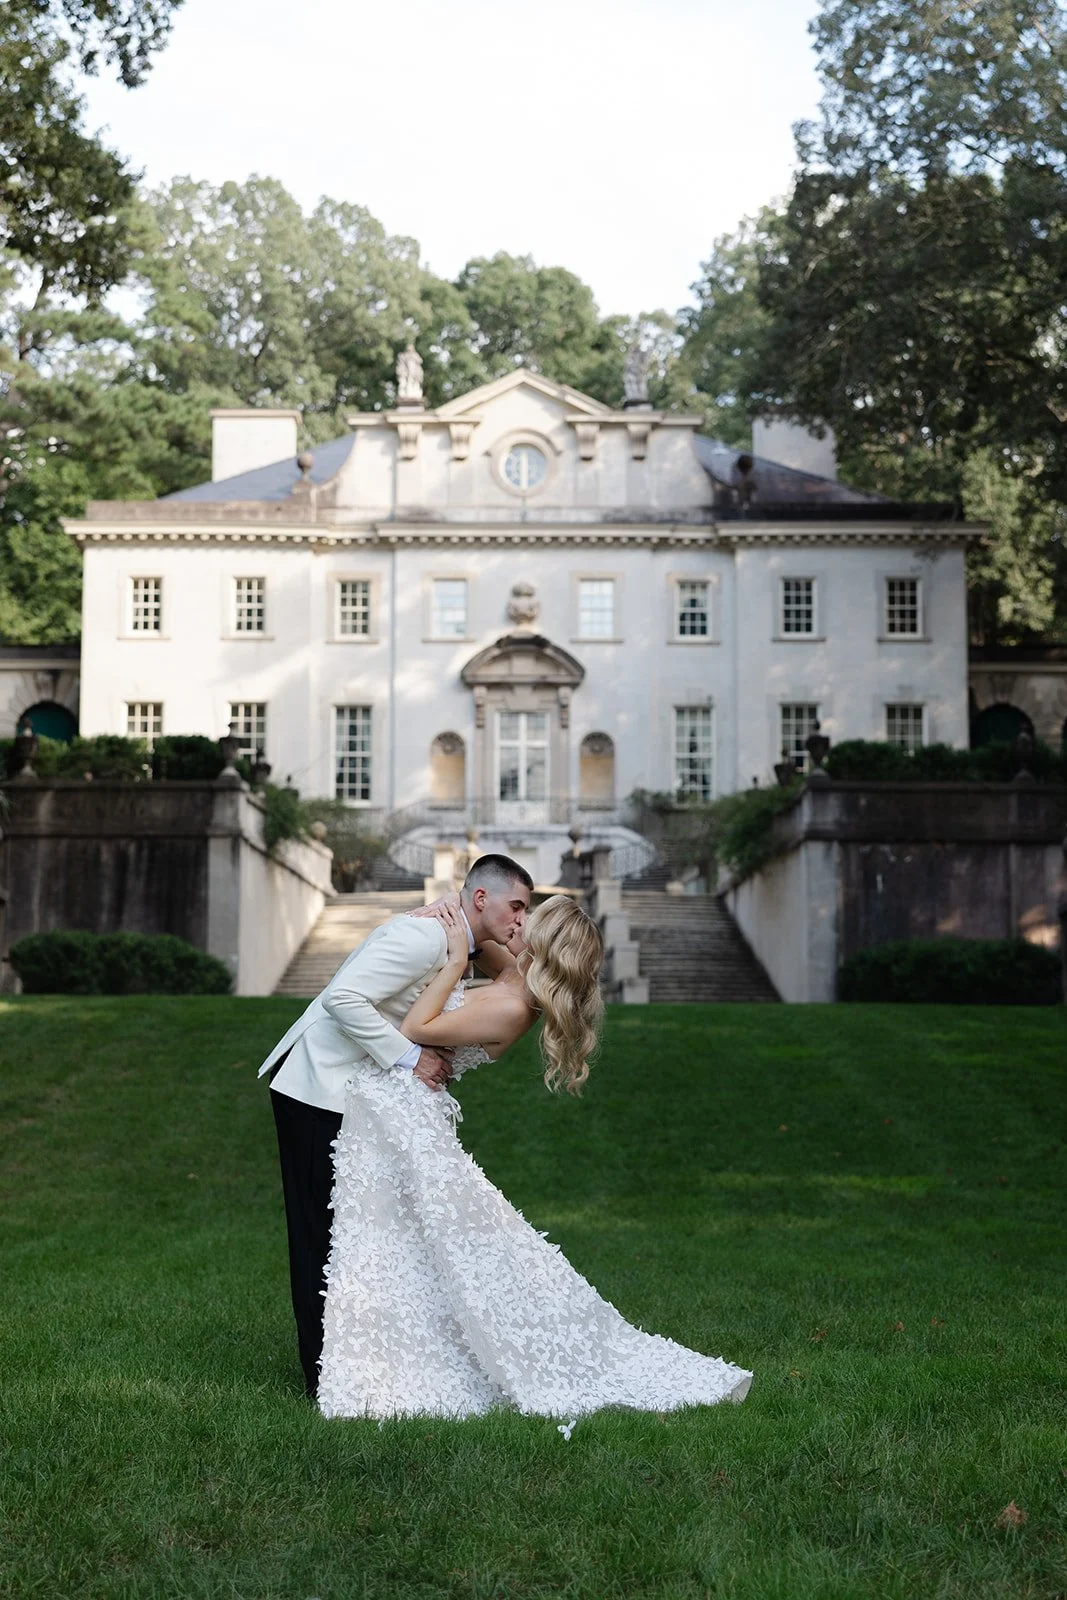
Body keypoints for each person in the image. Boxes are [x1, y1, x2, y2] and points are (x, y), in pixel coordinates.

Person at [316, 886, 753, 1420]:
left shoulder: (509, 1006)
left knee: (420, 1242)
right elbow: (486, 938)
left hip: (404, 1110)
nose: (515, 924)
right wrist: (442, 919)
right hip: (393, 1109)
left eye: (528, 921)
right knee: (410, 1241)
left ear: (542, 948)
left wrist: (454, 960)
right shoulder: (514, 974)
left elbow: (414, 1029)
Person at [258, 853, 533, 1396]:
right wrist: (410, 1058)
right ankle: (323, 1377)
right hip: (316, 1087)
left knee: (352, 1237)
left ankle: (351, 1358)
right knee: (318, 1236)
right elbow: (342, 998)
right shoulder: (427, 939)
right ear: (481, 899)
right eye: (516, 906)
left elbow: (509, 963)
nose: (521, 919)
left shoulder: (459, 940)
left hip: (352, 1095)